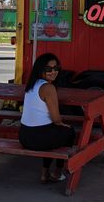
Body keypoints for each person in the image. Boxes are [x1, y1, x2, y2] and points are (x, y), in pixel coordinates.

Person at [19, 53, 76, 183]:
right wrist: (64, 125)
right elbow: (56, 119)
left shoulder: (32, 84)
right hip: (39, 139)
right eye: (48, 69)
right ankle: (57, 172)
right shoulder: (49, 88)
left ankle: (45, 173)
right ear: (40, 70)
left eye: (56, 68)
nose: (53, 72)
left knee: (53, 132)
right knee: (69, 132)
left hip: (24, 136)